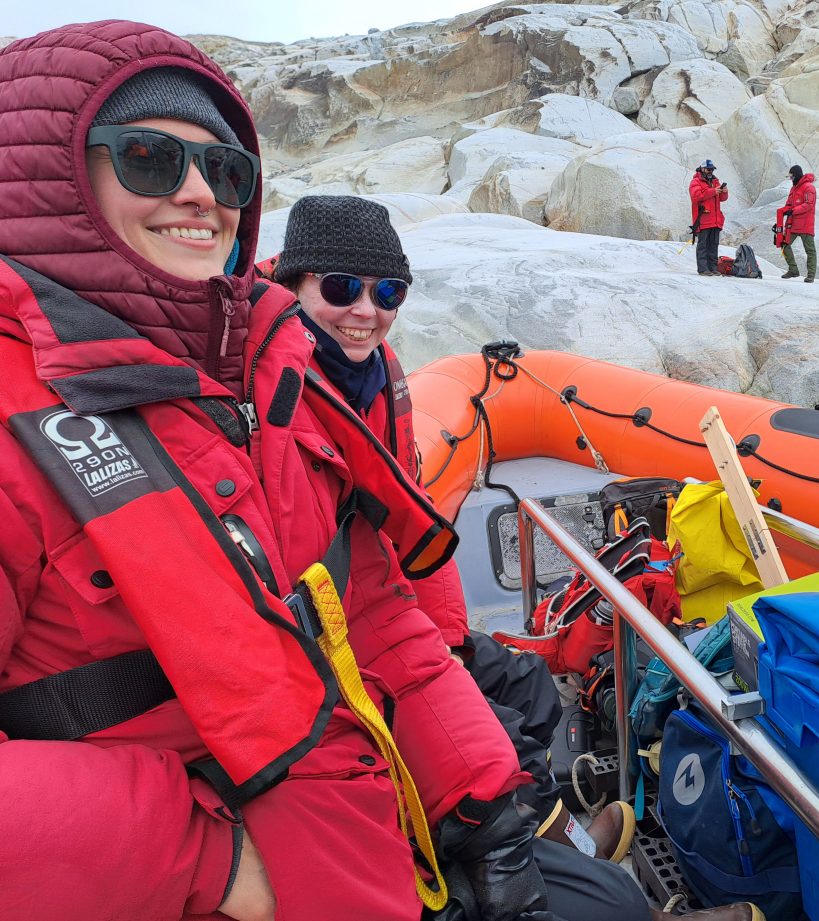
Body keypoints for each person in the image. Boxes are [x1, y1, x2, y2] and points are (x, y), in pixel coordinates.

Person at [0, 21, 550, 921]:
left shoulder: (260, 385)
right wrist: (206, 861)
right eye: (147, 158)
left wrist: (483, 799)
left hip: (348, 846)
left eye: (225, 173)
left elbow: (365, 601)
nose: (196, 194)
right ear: (53, 176)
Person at [269, 195, 768, 921]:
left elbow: (395, 547)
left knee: (529, 686)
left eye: (387, 293)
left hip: (394, 636)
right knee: (581, 860)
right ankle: (576, 856)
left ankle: (564, 836)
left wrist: (445, 645)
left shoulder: (369, 384)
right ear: (293, 285)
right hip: (342, 683)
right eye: (341, 288)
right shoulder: (280, 404)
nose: (366, 311)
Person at [688, 160, 728, 277]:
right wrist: (713, 191)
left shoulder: (715, 181)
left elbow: (722, 198)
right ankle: (703, 269)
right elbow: (696, 196)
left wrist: (724, 192)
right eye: (708, 169)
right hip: (703, 219)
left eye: (712, 169)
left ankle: (713, 268)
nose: (711, 171)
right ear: (702, 169)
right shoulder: (695, 181)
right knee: (703, 245)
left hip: (715, 220)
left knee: (713, 245)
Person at [780, 165, 817, 283]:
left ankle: (811, 275)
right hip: (793, 224)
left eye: (791, 177)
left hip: (806, 225)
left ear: (796, 175)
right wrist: (784, 210)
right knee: (784, 244)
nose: (791, 180)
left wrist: (793, 211)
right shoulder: (793, 189)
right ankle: (793, 270)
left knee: (810, 250)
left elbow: (809, 205)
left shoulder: (809, 188)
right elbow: (789, 204)